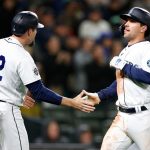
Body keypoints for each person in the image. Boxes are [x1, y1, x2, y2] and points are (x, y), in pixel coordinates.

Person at [0, 11, 95, 150]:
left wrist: (18, 95)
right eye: (35, 29)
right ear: (29, 31)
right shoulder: (22, 56)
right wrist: (72, 102)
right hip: (7, 112)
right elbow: (39, 92)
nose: (36, 33)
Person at [83, 7, 150, 150]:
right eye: (126, 20)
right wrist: (100, 95)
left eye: (132, 21)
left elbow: (148, 76)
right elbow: (122, 82)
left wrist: (123, 65)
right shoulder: (126, 50)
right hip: (122, 116)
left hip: (144, 118)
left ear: (143, 27)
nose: (126, 24)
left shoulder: (147, 49)